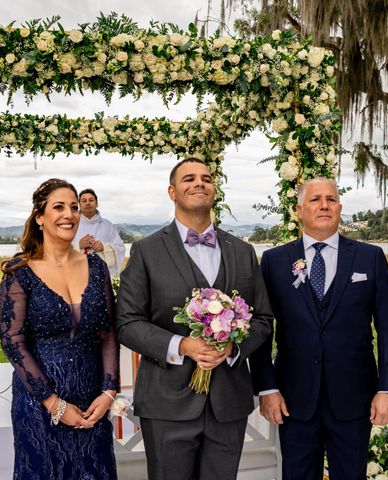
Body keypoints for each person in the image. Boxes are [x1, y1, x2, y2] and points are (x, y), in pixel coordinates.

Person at [114, 158, 273, 480]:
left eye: (206, 178)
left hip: (228, 402)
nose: (199, 183)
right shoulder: (145, 250)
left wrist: (233, 348)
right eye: (189, 178)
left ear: (215, 190)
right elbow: (127, 322)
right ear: (172, 192)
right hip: (166, 403)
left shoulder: (243, 251)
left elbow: (263, 319)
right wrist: (182, 345)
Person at [250, 177, 388, 480]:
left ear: (340, 208)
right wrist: (267, 388)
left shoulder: (369, 257)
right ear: (300, 209)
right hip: (294, 396)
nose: (324, 205)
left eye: (331, 199)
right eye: (315, 199)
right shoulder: (274, 261)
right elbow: (262, 329)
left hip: (354, 394)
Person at [0, 178, 120, 480]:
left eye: (74, 208)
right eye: (59, 207)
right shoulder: (20, 271)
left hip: (92, 403)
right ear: (40, 217)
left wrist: (108, 391)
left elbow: (108, 333)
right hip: (39, 403)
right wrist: (53, 404)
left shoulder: (97, 267)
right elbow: (12, 340)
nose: (69, 214)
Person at [72, 188, 125, 275]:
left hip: (102, 274)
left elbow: (120, 248)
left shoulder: (108, 225)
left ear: (97, 203)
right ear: (79, 205)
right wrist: (78, 245)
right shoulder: (71, 223)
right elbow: (59, 249)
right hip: (77, 273)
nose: (88, 203)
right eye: (84, 201)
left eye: (91, 200)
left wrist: (104, 247)